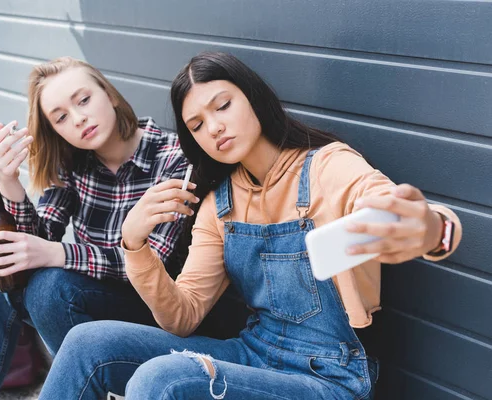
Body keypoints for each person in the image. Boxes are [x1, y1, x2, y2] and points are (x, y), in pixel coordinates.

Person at [37, 52, 462, 400]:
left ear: (253, 97)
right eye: (197, 125)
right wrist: (134, 243)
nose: (215, 127)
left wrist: (429, 227)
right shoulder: (217, 205)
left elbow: (394, 209)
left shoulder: (328, 167)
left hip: (331, 377)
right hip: (252, 356)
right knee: (86, 343)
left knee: (162, 379)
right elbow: (182, 317)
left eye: (222, 106)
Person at [0, 56, 212, 400]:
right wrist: (8, 181)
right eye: (61, 117)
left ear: (110, 95)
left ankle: (89, 385)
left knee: (49, 287)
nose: (78, 119)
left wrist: (57, 253)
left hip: (154, 312)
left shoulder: (173, 156)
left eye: (84, 100)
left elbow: (155, 260)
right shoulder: (73, 163)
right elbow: (37, 244)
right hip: (90, 302)